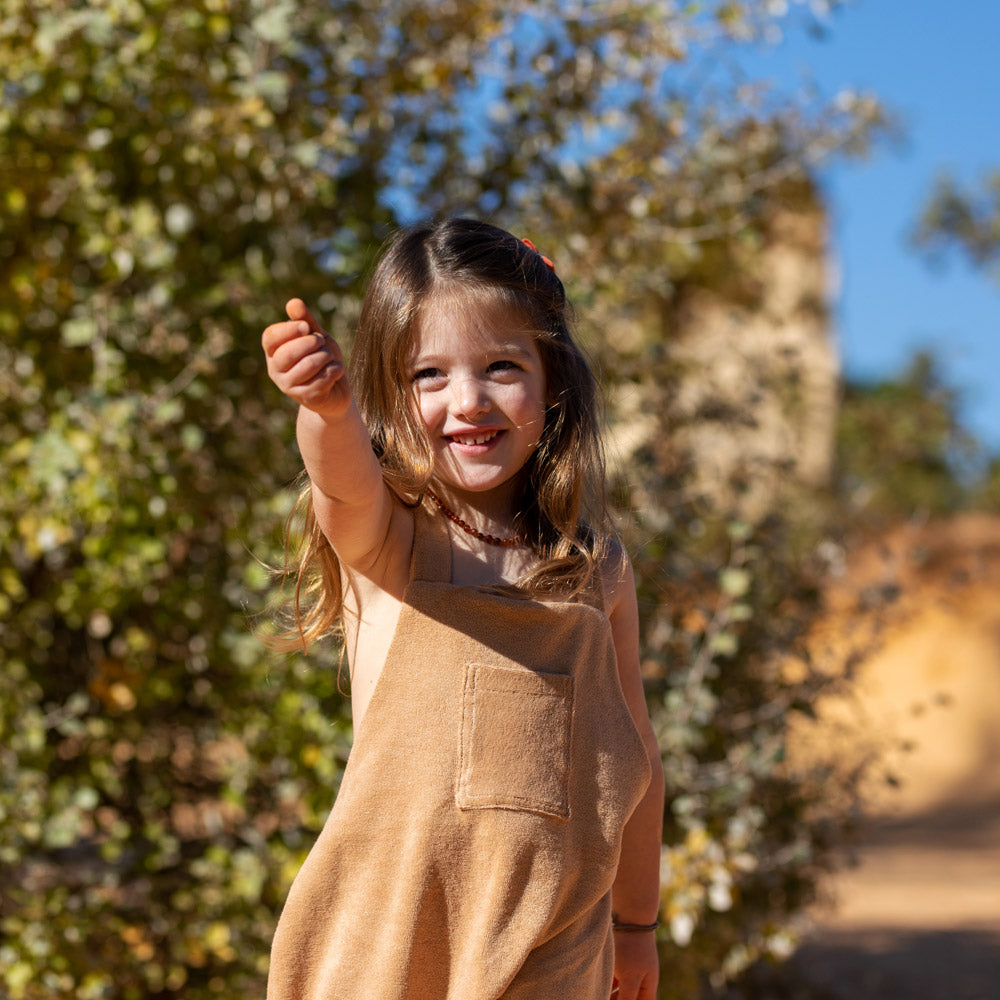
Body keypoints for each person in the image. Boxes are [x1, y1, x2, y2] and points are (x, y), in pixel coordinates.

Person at [261, 218, 664, 1000]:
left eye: (502, 366)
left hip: (553, 944)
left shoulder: (596, 572)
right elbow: (342, 482)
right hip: (395, 940)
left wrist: (635, 926)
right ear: (389, 394)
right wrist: (326, 409)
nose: (468, 401)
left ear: (554, 383)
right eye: (429, 376)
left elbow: (635, 763)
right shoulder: (393, 541)